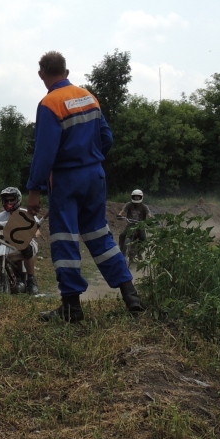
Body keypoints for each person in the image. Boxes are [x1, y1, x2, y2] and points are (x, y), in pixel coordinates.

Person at [25, 51, 144, 322]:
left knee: (65, 239)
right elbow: (107, 137)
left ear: (41, 74)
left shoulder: (50, 103)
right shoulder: (89, 97)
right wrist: (90, 157)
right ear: (66, 72)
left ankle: (71, 307)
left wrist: (34, 190)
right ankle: (130, 294)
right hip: (95, 175)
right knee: (100, 235)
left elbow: (44, 153)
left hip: (66, 180)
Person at [0, 186, 40, 294]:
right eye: (6, 200)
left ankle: (31, 281)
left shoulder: (26, 213)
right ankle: (7, 280)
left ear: (18, 200)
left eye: (11, 200)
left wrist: (32, 233)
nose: (9, 202)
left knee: (26, 249)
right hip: (7, 244)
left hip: (26, 242)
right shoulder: (1, 216)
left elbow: (37, 230)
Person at [118, 189, 150, 257]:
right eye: (135, 197)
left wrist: (151, 220)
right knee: (122, 235)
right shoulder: (129, 204)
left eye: (138, 197)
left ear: (141, 197)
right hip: (130, 224)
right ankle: (121, 249)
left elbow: (149, 214)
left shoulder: (144, 207)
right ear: (132, 197)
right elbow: (123, 211)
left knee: (143, 238)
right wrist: (120, 215)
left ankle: (139, 252)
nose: (136, 198)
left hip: (140, 225)